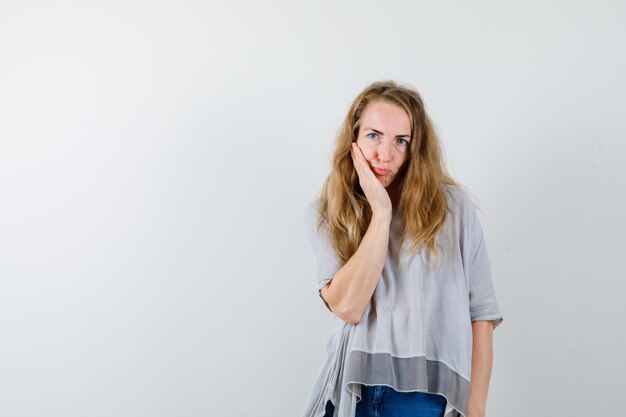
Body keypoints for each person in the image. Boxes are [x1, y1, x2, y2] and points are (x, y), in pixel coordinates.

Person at [300, 80, 504, 417]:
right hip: (350, 389)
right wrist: (381, 213)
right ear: (353, 140)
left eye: (401, 141)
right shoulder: (326, 213)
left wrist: (476, 409)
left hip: (423, 395)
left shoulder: (452, 208)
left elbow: (481, 313)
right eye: (373, 136)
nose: (385, 154)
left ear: (415, 148)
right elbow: (348, 307)